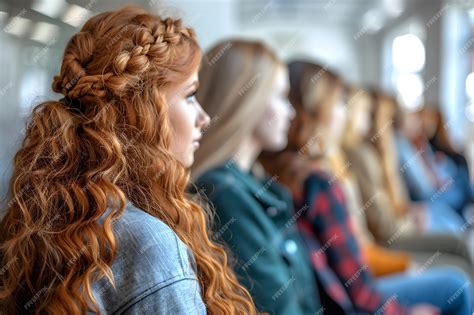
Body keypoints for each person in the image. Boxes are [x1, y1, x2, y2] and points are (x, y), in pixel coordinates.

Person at [0, 6, 256, 314]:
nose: (203, 117)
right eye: (189, 96)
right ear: (143, 113)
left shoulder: (43, 221)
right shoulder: (148, 244)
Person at [260, 60, 472, 314]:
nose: (345, 113)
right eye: (339, 103)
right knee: (456, 281)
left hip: (345, 285)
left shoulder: (285, 169)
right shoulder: (317, 177)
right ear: (317, 110)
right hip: (356, 286)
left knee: (451, 238)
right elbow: (358, 283)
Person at [191, 40, 322, 315]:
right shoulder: (223, 193)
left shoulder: (251, 182)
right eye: (280, 95)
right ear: (246, 100)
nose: (292, 112)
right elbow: (280, 307)